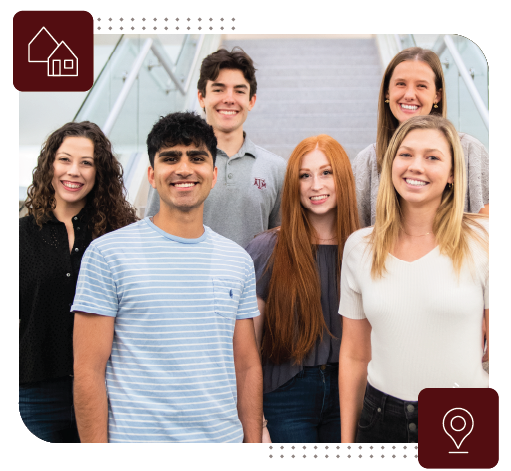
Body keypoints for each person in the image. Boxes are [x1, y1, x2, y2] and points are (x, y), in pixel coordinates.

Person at [72, 111, 263, 443]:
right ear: (151, 173)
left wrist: (254, 445)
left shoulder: (238, 261)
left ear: (214, 174)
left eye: (197, 157)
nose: (184, 168)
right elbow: (88, 372)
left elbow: (246, 366)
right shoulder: (107, 254)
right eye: (170, 158)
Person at [339, 115, 491, 444]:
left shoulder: (485, 242)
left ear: (452, 173)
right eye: (405, 154)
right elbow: (353, 355)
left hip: (464, 421)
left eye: (432, 157)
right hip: (379, 422)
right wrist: (347, 445)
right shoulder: (359, 248)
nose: (415, 166)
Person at [18, 121, 138, 443]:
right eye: (65, 160)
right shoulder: (22, 235)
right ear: (49, 165)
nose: (74, 171)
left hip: (112, 389)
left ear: (100, 173)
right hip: (37, 393)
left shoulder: (124, 234)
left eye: (86, 163)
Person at [245, 134, 360, 445]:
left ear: (344, 179)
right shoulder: (267, 248)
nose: (315, 185)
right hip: (284, 396)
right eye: (304, 176)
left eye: (326, 173)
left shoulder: (365, 249)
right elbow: (246, 349)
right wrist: (258, 423)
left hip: (351, 391)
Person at [145, 47, 287, 249]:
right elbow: (153, 229)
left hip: (252, 280)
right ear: (201, 97)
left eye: (239, 91)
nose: (229, 99)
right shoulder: (176, 164)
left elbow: (280, 240)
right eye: (218, 89)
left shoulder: (276, 168)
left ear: (251, 101)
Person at [352, 47, 489, 229]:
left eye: (421, 86)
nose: (409, 95)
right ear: (387, 92)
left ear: (437, 95)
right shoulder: (367, 161)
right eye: (401, 84)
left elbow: (492, 232)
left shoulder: (470, 151)